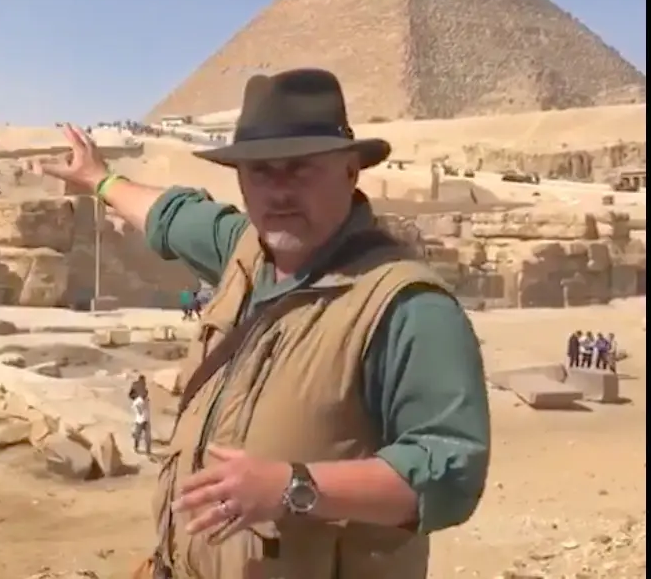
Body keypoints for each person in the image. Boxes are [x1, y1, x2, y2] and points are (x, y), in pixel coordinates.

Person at [40, 69, 490, 579]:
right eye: (260, 172)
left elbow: (450, 474)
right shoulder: (246, 249)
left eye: (299, 170)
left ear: (350, 171)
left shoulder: (406, 308)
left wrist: (295, 487)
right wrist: (100, 180)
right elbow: (169, 216)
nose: (278, 192)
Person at [132, 385, 153, 456]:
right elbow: (136, 408)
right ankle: (136, 447)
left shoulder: (147, 399)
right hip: (140, 421)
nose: (145, 395)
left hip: (146, 420)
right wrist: (140, 410)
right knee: (137, 435)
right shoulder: (138, 401)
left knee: (148, 437)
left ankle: (148, 451)